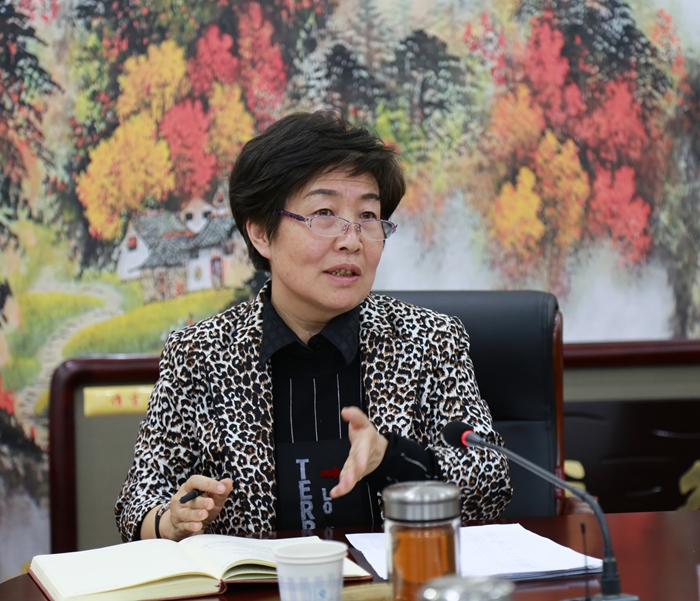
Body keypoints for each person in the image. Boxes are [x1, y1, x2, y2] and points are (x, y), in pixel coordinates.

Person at [115, 111, 512, 542]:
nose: (352, 240)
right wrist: (172, 521)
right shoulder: (200, 354)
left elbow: (491, 482)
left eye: (368, 216)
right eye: (324, 213)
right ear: (261, 233)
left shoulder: (429, 340)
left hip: (394, 576)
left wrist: (390, 458)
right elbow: (137, 503)